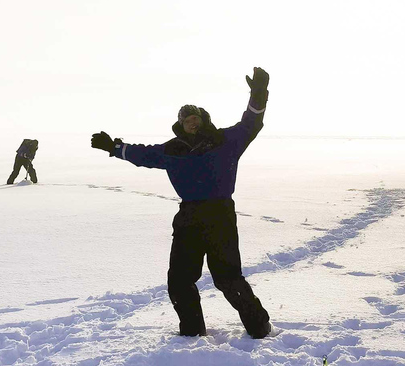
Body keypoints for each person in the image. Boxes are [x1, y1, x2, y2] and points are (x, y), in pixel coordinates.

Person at [90, 67, 272, 339]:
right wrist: (113, 147)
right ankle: (191, 333)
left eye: (195, 117)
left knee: (227, 279)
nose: (192, 122)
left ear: (204, 119)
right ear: (181, 124)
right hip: (188, 217)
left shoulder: (225, 141)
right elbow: (140, 154)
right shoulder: (172, 149)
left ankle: (259, 327)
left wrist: (258, 94)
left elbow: (251, 124)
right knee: (179, 281)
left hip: (219, 214)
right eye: (187, 120)